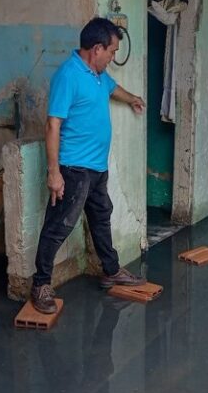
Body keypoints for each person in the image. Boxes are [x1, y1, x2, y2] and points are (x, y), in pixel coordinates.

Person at [31, 17, 146, 314]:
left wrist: (132, 98)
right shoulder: (69, 75)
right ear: (96, 49)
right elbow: (53, 124)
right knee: (59, 226)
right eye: (111, 51)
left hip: (96, 167)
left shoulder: (97, 74)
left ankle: (111, 271)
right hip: (73, 168)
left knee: (101, 217)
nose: (113, 57)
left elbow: (112, 88)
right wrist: (54, 172)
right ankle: (41, 283)